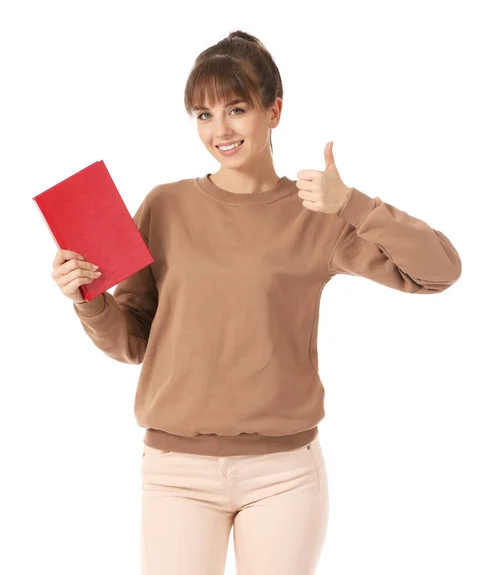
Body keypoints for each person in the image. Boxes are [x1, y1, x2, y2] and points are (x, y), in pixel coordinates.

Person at [51, 30, 462, 575]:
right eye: (202, 114)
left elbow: (439, 272)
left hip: (283, 474)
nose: (219, 130)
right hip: (177, 472)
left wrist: (356, 205)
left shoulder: (317, 212)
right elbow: (134, 343)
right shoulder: (164, 207)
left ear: (274, 110)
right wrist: (88, 299)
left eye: (236, 109)